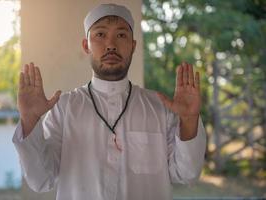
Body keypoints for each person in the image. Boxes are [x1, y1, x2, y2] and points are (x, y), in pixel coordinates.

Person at [12, 3, 206, 200]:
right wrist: (30, 120)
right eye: (100, 35)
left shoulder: (158, 108)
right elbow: (41, 179)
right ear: (86, 45)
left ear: (133, 45)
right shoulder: (65, 108)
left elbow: (186, 174)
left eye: (121, 35)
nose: (111, 44)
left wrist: (189, 120)